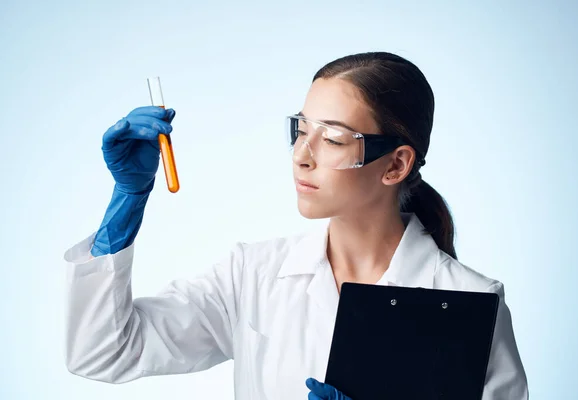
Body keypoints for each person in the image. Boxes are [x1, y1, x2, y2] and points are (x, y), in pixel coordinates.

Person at [63, 52, 529, 400]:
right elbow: (104, 352)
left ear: (395, 165)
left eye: (331, 138)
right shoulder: (252, 275)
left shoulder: (471, 303)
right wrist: (126, 202)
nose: (302, 156)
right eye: (301, 130)